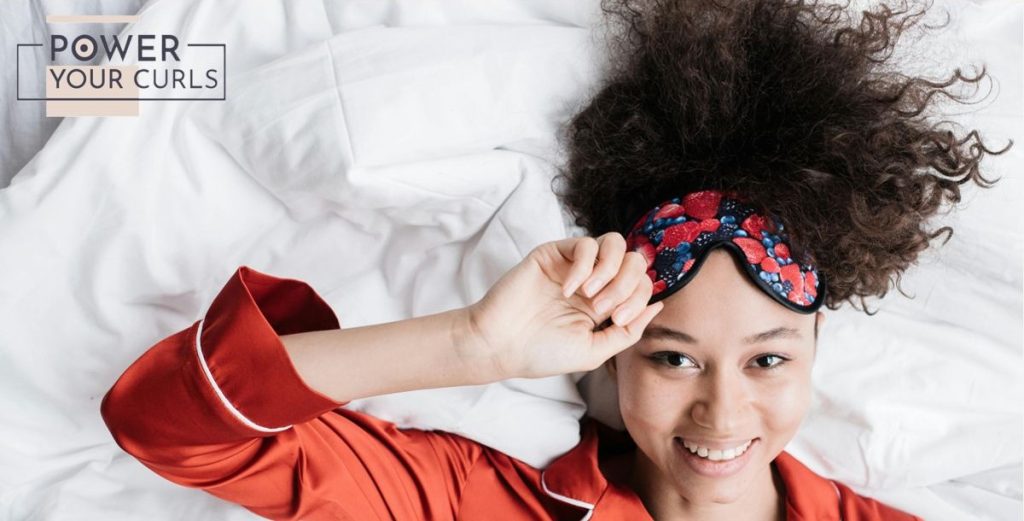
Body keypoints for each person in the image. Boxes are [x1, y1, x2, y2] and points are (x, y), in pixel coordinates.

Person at [101, 0, 1010, 519]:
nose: (723, 409)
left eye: (768, 357)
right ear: (614, 347)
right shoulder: (475, 503)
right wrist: (473, 347)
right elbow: (168, 423)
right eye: (673, 356)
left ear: (816, 345)